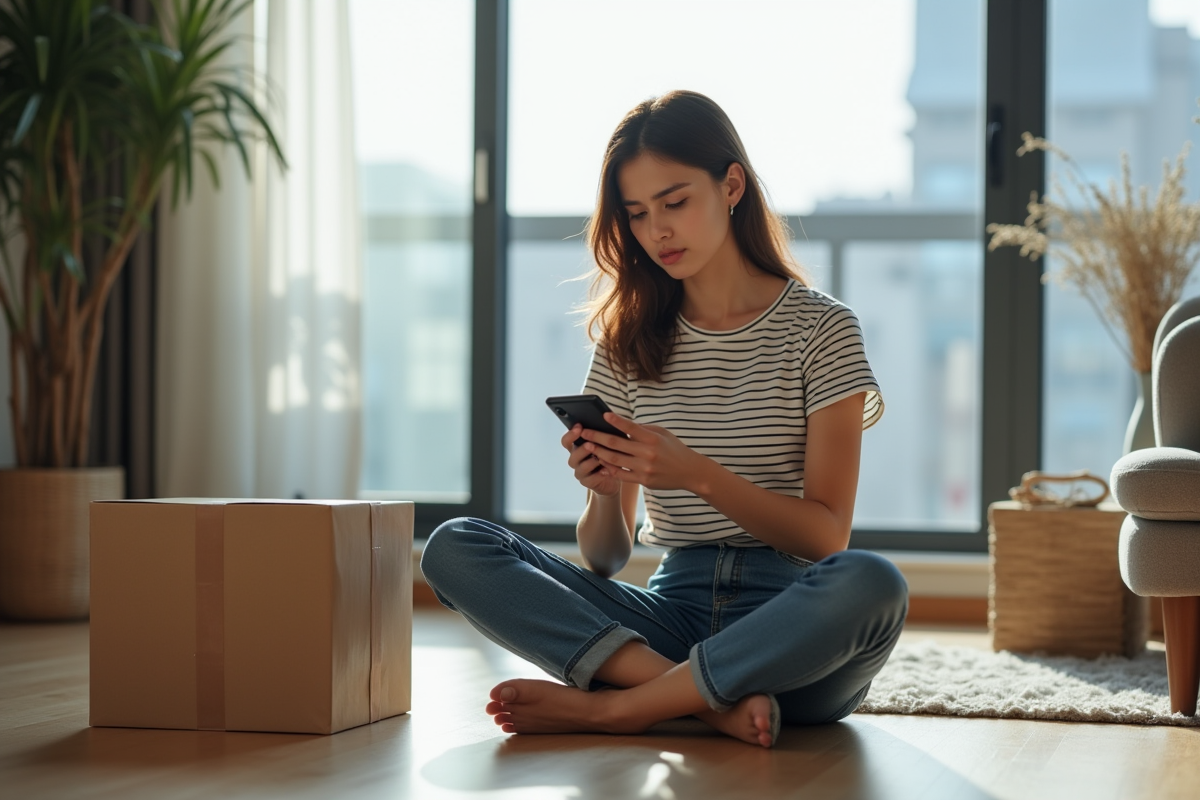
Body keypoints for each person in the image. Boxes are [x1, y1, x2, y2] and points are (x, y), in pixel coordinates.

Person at [421, 90, 907, 748]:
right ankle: (699, 703)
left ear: (731, 185)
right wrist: (600, 495)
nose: (658, 232)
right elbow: (606, 556)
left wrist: (695, 473)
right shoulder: (628, 342)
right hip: (668, 615)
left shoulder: (822, 330)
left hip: (788, 637)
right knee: (456, 545)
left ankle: (621, 710)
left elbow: (826, 540)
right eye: (638, 214)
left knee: (875, 582)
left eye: (675, 202)